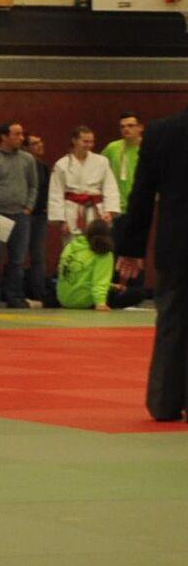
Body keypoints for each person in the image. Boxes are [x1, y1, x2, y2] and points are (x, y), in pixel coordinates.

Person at [111, 108, 185, 421]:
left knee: (172, 322)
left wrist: (131, 248)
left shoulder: (161, 131)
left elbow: (141, 194)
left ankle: (164, 403)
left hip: (176, 242)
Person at [0, 122, 36, 308]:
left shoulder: (27, 159)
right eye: (16, 134)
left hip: (21, 215)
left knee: (18, 260)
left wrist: (29, 207)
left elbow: (34, 185)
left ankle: (14, 297)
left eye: (21, 134)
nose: (21, 138)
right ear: (4, 136)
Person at [50, 126, 121, 240]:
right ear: (74, 141)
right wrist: (62, 221)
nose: (89, 145)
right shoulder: (61, 164)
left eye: (91, 142)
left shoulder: (102, 161)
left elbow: (110, 187)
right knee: (72, 249)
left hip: (97, 213)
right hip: (72, 213)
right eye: (85, 141)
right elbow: (56, 193)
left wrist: (110, 211)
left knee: (98, 247)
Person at [21, 133, 59, 305]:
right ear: (26, 148)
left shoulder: (43, 167)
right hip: (24, 215)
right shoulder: (21, 165)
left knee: (38, 256)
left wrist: (46, 209)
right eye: (35, 143)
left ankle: (39, 292)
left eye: (40, 141)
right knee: (19, 256)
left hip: (39, 216)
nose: (40, 145)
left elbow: (47, 191)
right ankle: (18, 292)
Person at [57, 221, 117, 310]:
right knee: (137, 292)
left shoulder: (71, 246)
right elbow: (100, 281)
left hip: (64, 299)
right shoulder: (103, 251)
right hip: (85, 301)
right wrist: (100, 303)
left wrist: (111, 285)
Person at [105, 112, 144, 222]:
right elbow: (99, 170)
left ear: (140, 127)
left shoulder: (148, 148)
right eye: (122, 126)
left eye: (130, 126)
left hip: (140, 206)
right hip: (116, 208)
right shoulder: (112, 148)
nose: (126, 129)